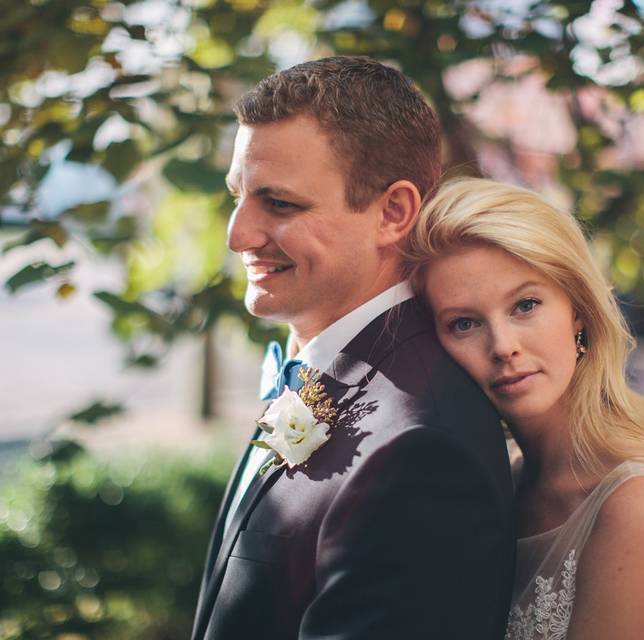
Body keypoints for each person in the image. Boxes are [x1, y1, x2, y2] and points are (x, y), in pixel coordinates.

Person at [190, 58, 516, 640]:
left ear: (392, 212)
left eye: (280, 204)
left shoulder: (419, 450)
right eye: (238, 196)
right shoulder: (329, 371)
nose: (238, 235)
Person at [408, 177, 644, 639]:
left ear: (577, 310)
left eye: (525, 305)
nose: (503, 347)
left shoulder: (643, 503)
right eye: (464, 323)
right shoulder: (500, 482)